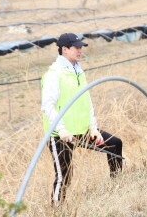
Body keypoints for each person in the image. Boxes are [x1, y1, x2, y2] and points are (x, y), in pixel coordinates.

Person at [41, 33, 123, 204]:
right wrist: (61, 129)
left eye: (81, 47)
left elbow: (87, 101)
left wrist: (93, 127)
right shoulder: (54, 74)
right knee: (64, 176)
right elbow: (48, 106)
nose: (80, 50)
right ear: (64, 49)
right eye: (76, 47)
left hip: (83, 130)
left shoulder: (78, 70)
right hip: (61, 135)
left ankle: (117, 189)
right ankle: (56, 211)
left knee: (115, 145)